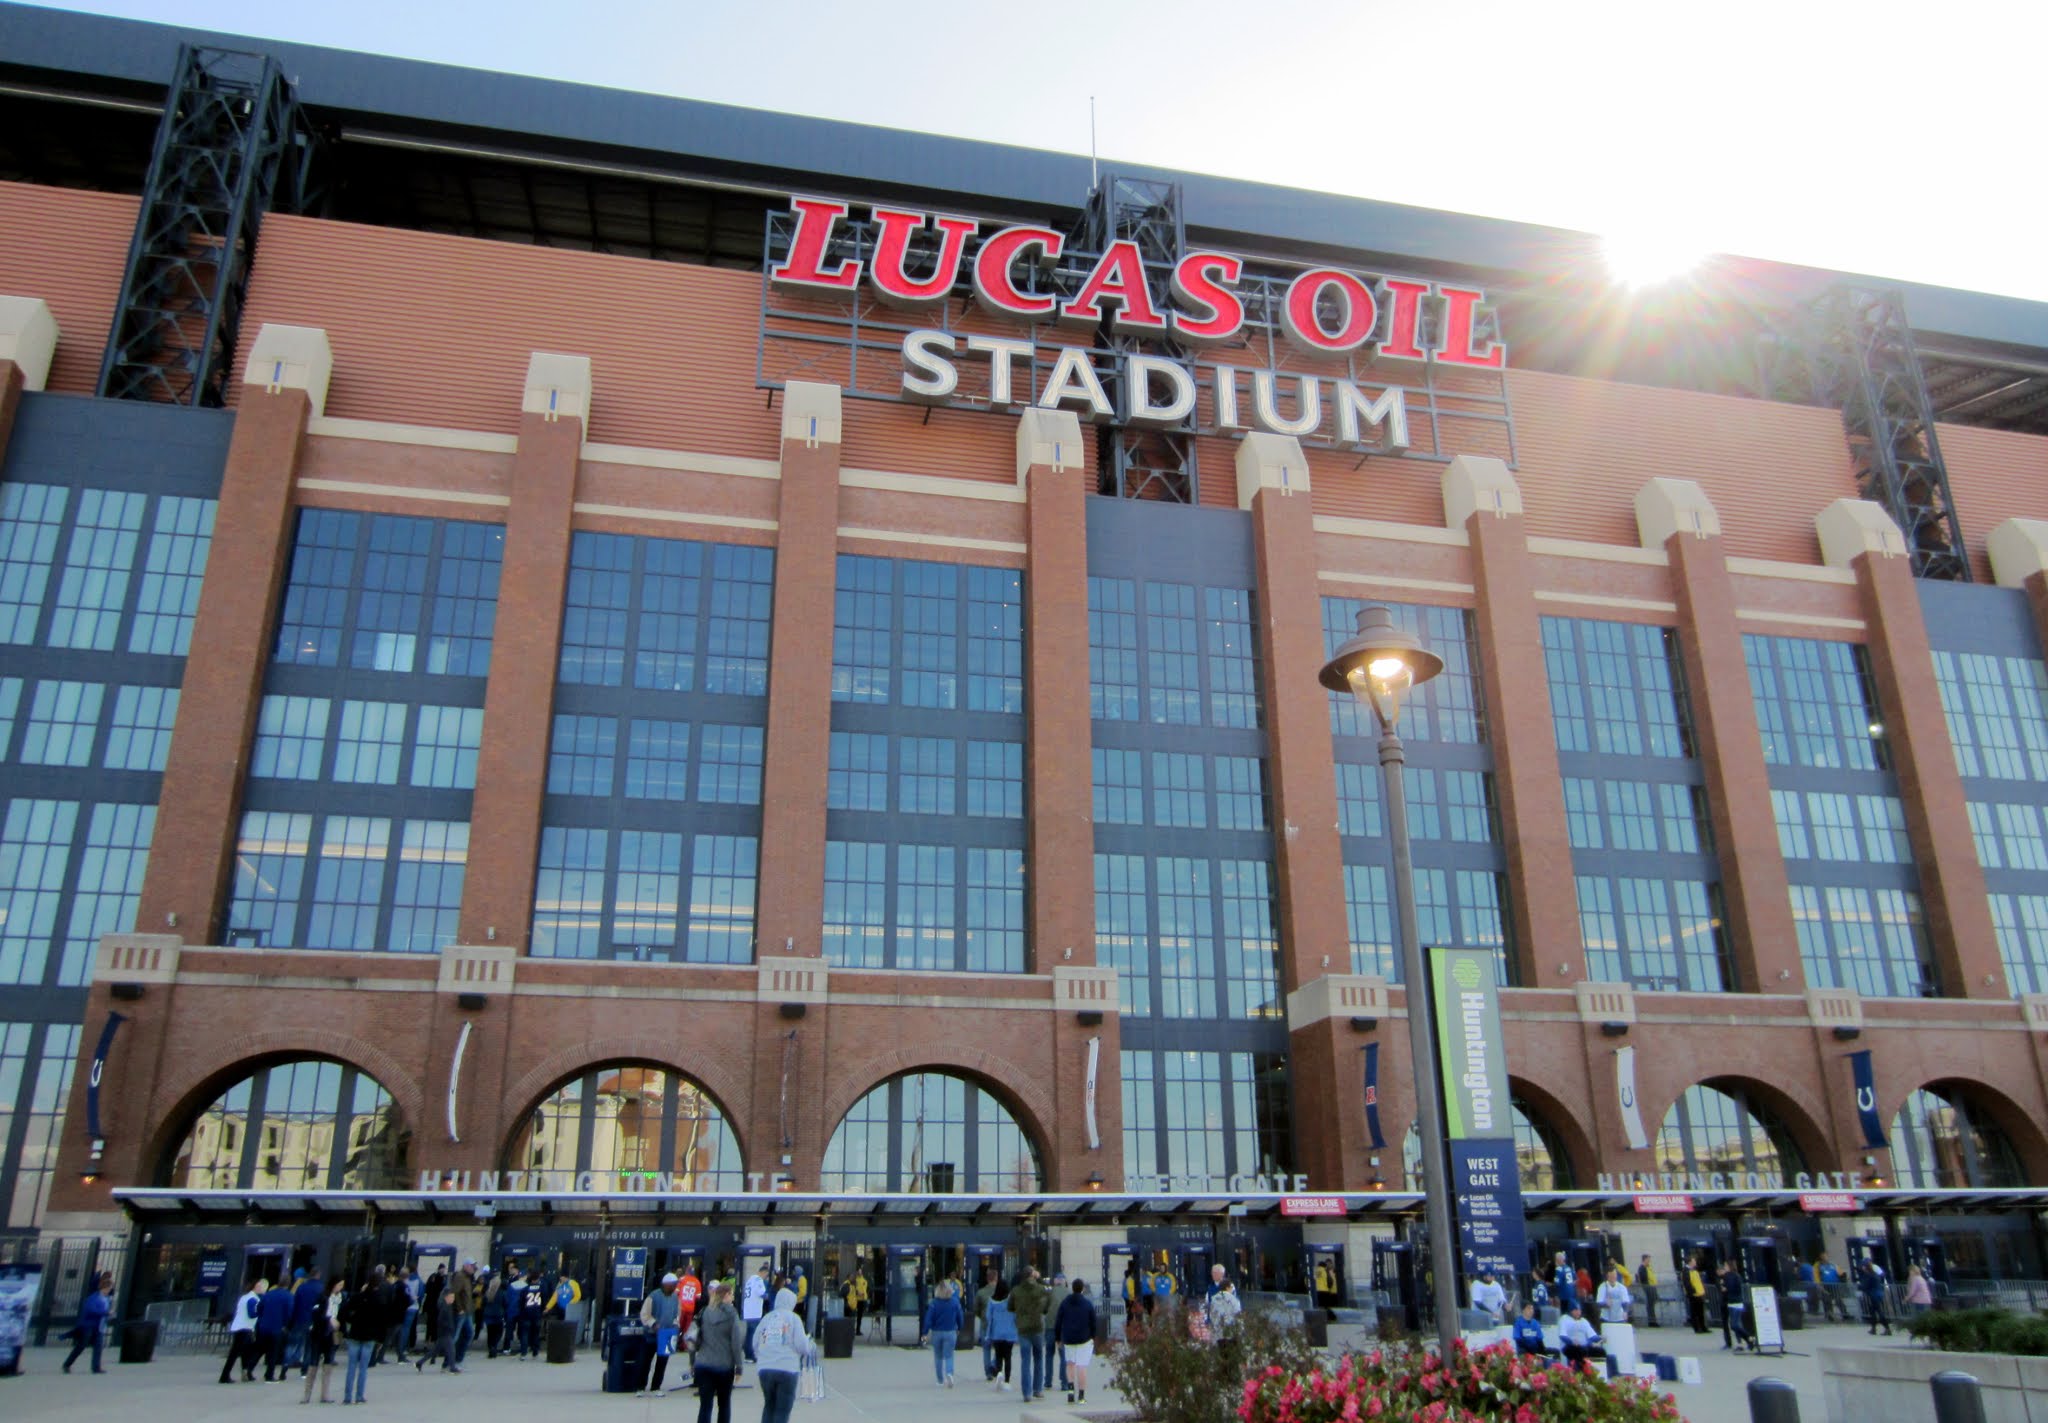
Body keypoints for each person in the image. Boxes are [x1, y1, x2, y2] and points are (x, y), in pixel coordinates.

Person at [752, 1287, 810, 1423]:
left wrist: (761, 1356)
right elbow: (802, 1345)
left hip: (765, 1368)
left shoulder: (766, 1318)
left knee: (769, 1406)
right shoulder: (794, 1319)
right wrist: (808, 1346)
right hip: (787, 1368)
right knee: (782, 1411)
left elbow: (755, 1342)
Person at [694, 1282, 746, 1423]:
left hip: (704, 1363)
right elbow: (736, 1342)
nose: (733, 1298)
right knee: (724, 1404)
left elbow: (696, 1337)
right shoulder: (731, 1314)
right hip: (724, 1365)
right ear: (726, 1295)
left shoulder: (705, 1312)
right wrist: (739, 1366)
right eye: (732, 1294)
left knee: (705, 1406)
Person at [339, 1271, 384, 1404]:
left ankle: (347, 1396)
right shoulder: (378, 1299)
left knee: (351, 1366)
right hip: (369, 1336)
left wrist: (351, 1320)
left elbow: (343, 1312)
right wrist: (380, 1338)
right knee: (363, 1368)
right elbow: (381, 1321)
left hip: (355, 1333)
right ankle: (359, 1396)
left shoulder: (357, 1297)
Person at [1010, 1266, 1051, 1403]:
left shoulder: (1016, 1290)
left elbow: (1010, 1307)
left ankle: (1026, 1393)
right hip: (1037, 1327)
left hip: (1023, 1328)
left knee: (1025, 1361)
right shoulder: (1040, 1289)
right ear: (1033, 1275)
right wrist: (1040, 1279)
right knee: (1038, 1358)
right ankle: (1037, 1389)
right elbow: (1048, 1299)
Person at [1054, 1277, 1097, 1406]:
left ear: (1072, 1288)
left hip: (1068, 1338)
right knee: (1082, 1367)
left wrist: (1058, 1338)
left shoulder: (1065, 1302)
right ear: (1082, 1289)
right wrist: (1093, 1336)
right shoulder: (1087, 1303)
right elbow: (1093, 1322)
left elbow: (1058, 1321)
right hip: (1084, 1338)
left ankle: (1070, 1389)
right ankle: (1082, 1396)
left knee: (1070, 1364)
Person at [62, 1271, 113, 1375]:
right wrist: (106, 1313)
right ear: (105, 1288)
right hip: (89, 1326)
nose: (110, 1290)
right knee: (81, 1345)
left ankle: (96, 1367)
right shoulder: (93, 1298)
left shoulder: (107, 1299)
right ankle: (67, 1364)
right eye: (109, 1288)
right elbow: (90, 1310)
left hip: (99, 1326)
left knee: (98, 1347)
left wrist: (108, 1315)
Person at [641, 1272, 684, 1395]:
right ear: (666, 1284)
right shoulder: (653, 1296)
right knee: (646, 1361)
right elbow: (645, 1314)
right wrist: (653, 1324)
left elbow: (677, 1314)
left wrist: (676, 1325)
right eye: (673, 1284)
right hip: (651, 1334)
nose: (675, 1287)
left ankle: (656, 1387)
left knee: (662, 1362)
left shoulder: (675, 1297)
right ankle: (640, 1387)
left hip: (667, 1334)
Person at [221, 1277, 268, 1383]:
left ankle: (245, 1373)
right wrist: (260, 1311)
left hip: (241, 1327)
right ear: (257, 1287)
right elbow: (252, 1314)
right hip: (245, 1328)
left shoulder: (244, 1297)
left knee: (245, 1352)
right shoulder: (253, 1299)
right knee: (237, 1353)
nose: (263, 1289)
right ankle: (226, 1375)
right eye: (261, 1287)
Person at [303, 1277, 342, 1403]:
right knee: (313, 1362)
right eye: (339, 1285)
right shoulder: (323, 1297)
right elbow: (315, 1314)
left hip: (330, 1334)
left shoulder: (339, 1299)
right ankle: (307, 1394)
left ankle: (324, 1395)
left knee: (328, 1363)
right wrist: (328, 1319)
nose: (340, 1288)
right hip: (319, 1333)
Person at [920, 1279, 963, 1387]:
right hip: (951, 1332)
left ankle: (940, 1380)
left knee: (938, 1356)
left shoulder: (934, 1303)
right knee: (949, 1356)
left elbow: (928, 1319)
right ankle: (949, 1375)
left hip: (937, 1332)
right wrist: (960, 1328)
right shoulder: (954, 1302)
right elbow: (960, 1317)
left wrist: (924, 1333)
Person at [257, 1270, 295, 1380]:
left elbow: (259, 1307)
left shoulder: (269, 1293)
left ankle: (248, 1369)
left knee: (260, 1349)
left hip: (264, 1326)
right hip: (278, 1327)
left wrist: (261, 1318)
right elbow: (289, 1313)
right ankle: (269, 1374)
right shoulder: (288, 1296)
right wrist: (286, 1325)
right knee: (274, 1351)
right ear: (288, 1284)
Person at [287, 1267, 323, 1372]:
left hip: (299, 1317)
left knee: (293, 1342)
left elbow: (295, 1302)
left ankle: (287, 1362)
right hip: (313, 1319)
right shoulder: (320, 1288)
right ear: (318, 1275)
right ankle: (303, 1366)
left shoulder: (301, 1287)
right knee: (307, 1344)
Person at [985, 1278, 1017, 1390]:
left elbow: (988, 1317)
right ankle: (1007, 1381)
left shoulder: (991, 1300)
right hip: (1010, 1333)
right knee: (1008, 1357)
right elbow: (1016, 1315)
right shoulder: (1011, 1300)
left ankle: (999, 1373)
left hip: (996, 1332)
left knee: (998, 1356)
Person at [1718, 1262, 1755, 1352]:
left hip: (1735, 1301)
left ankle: (1748, 1337)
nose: (1724, 1267)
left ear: (1730, 1267)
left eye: (1726, 1266)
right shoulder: (1732, 1276)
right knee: (1735, 1324)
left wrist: (1725, 1286)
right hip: (1733, 1301)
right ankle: (1745, 1341)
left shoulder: (1730, 1276)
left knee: (1735, 1324)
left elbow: (1730, 1287)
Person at [516, 1268, 546, 1359]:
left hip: (526, 1313)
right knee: (536, 1333)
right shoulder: (541, 1289)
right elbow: (544, 1301)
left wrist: (521, 1312)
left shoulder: (525, 1289)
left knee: (525, 1333)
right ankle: (535, 1351)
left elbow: (521, 1302)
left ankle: (523, 1353)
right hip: (537, 1313)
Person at [742, 1263, 770, 1360]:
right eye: (766, 1275)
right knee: (752, 1333)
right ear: (763, 1273)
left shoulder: (749, 1280)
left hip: (748, 1310)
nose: (766, 1277)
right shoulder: (758, 1280)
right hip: (754, 1311)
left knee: (749, 1333)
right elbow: (762, 1293)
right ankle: (750, 1355)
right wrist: (768, 1296)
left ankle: (747, 1352)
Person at [1860, 1259, 1893, 1336]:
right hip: (1878, 1294)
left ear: (1865, 1267)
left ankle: (1887, 1328)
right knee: (1872, 1311)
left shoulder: (1869, 1275)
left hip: (1874, 1295)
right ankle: (1873, 1328)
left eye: (1863, 1266)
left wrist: (1860, 1286)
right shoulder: (1875, 1274)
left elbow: (1865, 1285)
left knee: (1879, 1312)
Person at [976, 1268, 998, 1381]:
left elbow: (976, 1309)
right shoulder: (1002, 1292)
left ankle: (988, 1372)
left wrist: (982, 1316)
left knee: (986, 1348)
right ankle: (994, 1364)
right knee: (999, 1348)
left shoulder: (981, 1292)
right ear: (996, 1278)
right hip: (998, 1324)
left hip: (985, 1324)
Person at [1595, 1268, 1631, 1332]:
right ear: (1607, 1276)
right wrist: (1605, 1304)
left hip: (1619, 1318)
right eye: (1611, 1275)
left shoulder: (1621, 1287)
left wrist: (1625, 1311)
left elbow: (1625, 1301)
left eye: (1614, 1275)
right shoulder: (1602, 1287)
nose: (1613, 1277)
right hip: (1606, 1318)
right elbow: (1598, 1303)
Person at [483, 1267, 507, 1358]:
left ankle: (490, 1348)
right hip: (498, 1313)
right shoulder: (501, 1292)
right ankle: (494, 1346)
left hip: (488, 1314)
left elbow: (483, 1302)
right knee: (499, 1332)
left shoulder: (488, 1292)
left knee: (490, 1332)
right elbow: (505, 1303)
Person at [1684, 1254, 1709, 1335]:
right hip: (1694, 1295)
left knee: (1700, 1311)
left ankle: (1703, 1327)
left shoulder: (1694, 1270)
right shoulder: (1686, 1271)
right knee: (1695, 1312)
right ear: (1690, 1262)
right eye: (1694, 1261)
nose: (1695, 1262)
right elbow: (1687, 1283)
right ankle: (1697, 1328)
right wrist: (1693, 1291)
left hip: (1699, 1293)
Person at [1818, 1258, 1845, 1322]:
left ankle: (1844, 1313)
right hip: (1826, 1286)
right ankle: (1830, 1315)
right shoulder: (1820, 1268)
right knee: (1827, 1301)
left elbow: (1841, 1274)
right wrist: (1821, 1287)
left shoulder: (1833, 1266)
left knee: (1838, 1300)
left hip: (1835, 1285)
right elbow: (1819, 1277)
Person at [1637, 1255, 1659, 1327]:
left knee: (1652, 1303)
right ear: (1645, 1259)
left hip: (1652, 1286)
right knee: (1650, 1304)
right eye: (1648, 1259)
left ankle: (1653, 1320)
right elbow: (1643, 1278)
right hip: (1648, 1287)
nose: (1649, 1261)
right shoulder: (1642, 1268)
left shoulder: (1648, 1267)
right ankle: (1652, 1321)